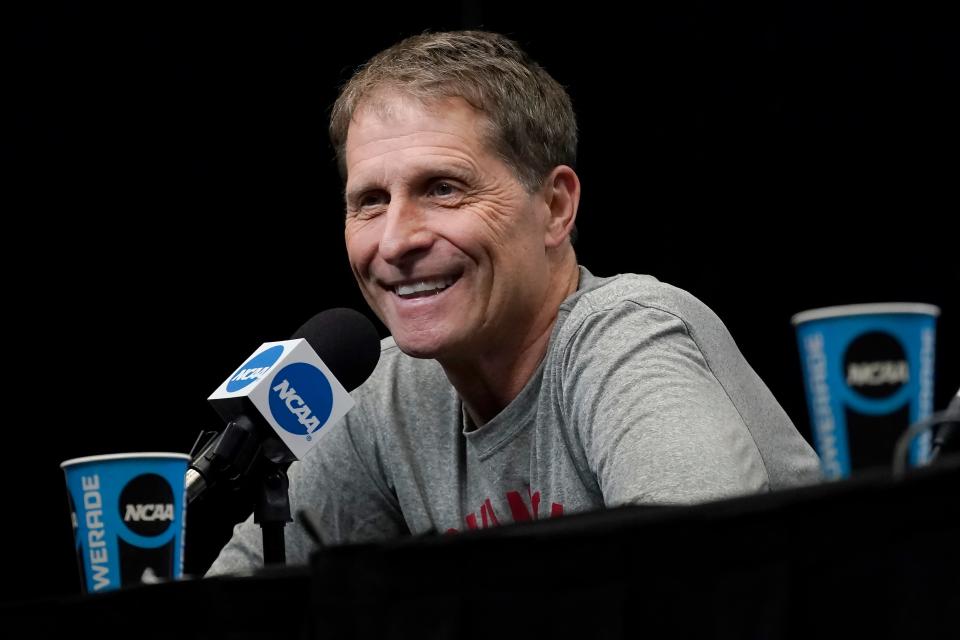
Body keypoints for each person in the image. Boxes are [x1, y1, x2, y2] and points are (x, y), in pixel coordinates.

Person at [207, 30, 820, 574]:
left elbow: (694, 592)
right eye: (370, 201)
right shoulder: (386, 392)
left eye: (443, 189)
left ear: (555, 207)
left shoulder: (627, 336)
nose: (395, 240)